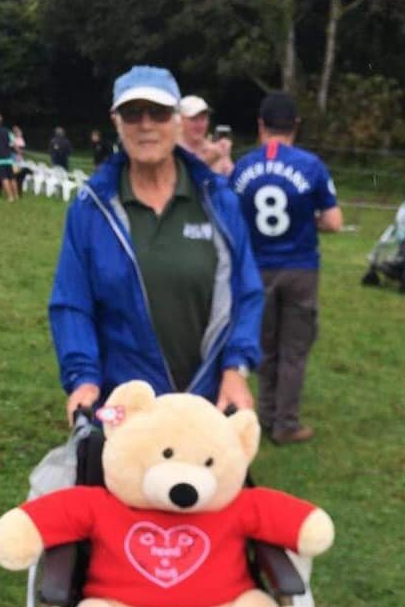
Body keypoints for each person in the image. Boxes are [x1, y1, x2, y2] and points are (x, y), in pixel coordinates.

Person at [49, 64, 263, 423]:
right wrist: (83, 379)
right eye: (133, 113)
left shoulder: (217, 199)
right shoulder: (91, 208)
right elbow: (72, 302)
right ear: (116, 121)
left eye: (159, 112)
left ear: (177, 120)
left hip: (208, 405)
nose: (146, 124)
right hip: (125, 409)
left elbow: (247, 291)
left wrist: (235, 369)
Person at [230, 92, 342, 445]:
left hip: (256, 268)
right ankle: (286, 423)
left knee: (265, 345)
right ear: (296, 126)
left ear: (261, 125)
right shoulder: (311, 166)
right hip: (300, 267)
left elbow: (231, 217)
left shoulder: (243, 166)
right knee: (294, 349)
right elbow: (334, 222)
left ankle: (263, 416)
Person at [178, 95, 234, 176]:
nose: (199, 125)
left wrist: (226, 156)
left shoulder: (215, 150)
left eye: (203, 119)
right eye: (193, 119)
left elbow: (234, 182)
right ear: (180, 120)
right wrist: (209, 160)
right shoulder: (172, 150)